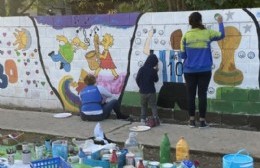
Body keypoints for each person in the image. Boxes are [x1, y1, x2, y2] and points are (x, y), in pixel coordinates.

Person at [180, 12, 225, 128]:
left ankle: (191, 121)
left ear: (190, 22)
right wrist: (220, 22)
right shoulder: (207, 33)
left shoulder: (185, 36)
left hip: (189, 71)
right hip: (205, 70)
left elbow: (183, 56)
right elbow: (221, 35)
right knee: (202, 95)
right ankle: (202, 121)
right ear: (200, 20)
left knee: (190, 95)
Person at [136, 52, 160, 126]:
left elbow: (137, 79)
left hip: (143, 92)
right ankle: (155, 119)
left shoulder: (141, 69)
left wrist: (141, 86)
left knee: (143, 106)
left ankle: (143, 119)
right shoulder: (153, 70)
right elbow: (156, 80)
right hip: (151, 92)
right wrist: (156, 71)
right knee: (153, 106)